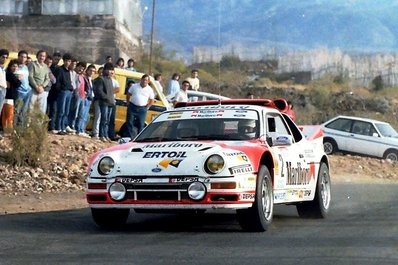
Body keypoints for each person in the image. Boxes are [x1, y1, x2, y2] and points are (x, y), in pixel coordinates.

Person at [93, 62, 115, 142]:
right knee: (104, 119)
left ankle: (106, 135)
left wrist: (111, 100)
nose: (111, 72)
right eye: (109, 70)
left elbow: (111, 92)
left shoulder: (110, 80)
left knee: (108, 121)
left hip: (110, 103)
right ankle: (102, 135)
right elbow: (99, 91)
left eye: (112, 70)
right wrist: (106, 98)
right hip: (104, 103)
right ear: (105, 70)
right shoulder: (101, 79)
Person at [54, 53, 73, 135]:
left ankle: (63, 128)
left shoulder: (68, 71)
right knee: (61, 111)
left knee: (66, 111)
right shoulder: (60, 69)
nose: (67, 63)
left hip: (69, 92)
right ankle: (58, 128)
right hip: (63, 92)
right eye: (66, 61)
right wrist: (60, 90)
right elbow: (57, 82)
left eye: (69, 61)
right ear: (64, 61)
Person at [14, 50, 32, 126]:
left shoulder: (26, 67)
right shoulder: (14, 66)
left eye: (24, 57)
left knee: (24, 111)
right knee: (17, 110)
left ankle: (21, 128)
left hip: (27, 91)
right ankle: (14, 128)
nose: (23, 58)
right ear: (18, 57)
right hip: (19, 91)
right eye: (21, 56)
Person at [2, 59, 21, 131]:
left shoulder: (9, 73)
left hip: (8, 96)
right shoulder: (10, 74)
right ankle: (8, 130)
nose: (15, 68)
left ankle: (6, 129)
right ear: (10, 66)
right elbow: (18, 84)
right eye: (13, 66)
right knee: (8, 114)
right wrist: (18, 79)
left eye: (16, 66)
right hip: (9, 97)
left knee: (6, 114)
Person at [47, 51, 62, 132]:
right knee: (46, 109)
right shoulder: (48, 67)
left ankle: (51, 127)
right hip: (47, 91)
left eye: (58, 59)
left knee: (53, 110)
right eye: (55, 59)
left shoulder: (59, 69)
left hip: (55, 93)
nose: (57, 60)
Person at [0, 49, 9, 133]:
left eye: (6, 57)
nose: (5, 59)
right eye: (3, 57)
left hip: (3, 90)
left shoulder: (3, 68)